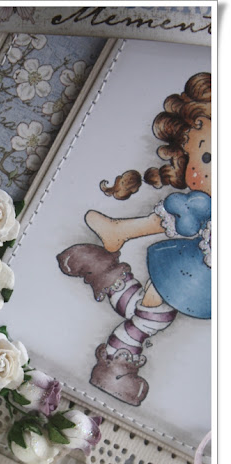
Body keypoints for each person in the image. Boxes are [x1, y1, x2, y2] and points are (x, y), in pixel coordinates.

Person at [57, 72, 211, 406]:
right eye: (206, 158)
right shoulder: (203, 206)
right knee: (153, 313)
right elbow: (170, 222)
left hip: (200, 276)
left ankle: (106, 270)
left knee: (150, 307)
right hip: (187, 270)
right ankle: (115, 365)